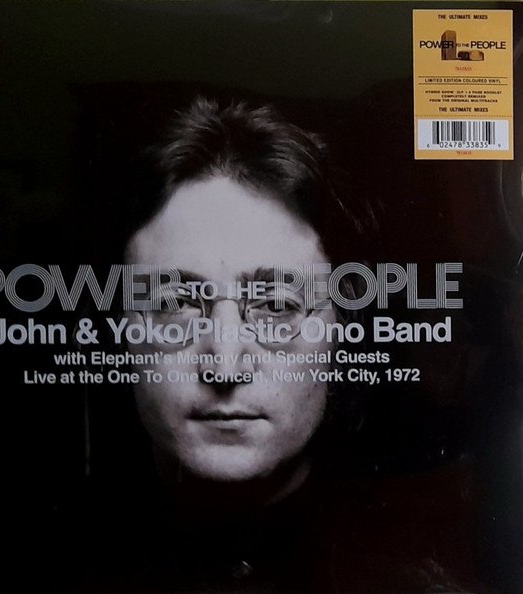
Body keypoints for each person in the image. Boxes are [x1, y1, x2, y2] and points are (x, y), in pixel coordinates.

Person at [70, 96, 473, 594]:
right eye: (175, 301)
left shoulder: (427, 573)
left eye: (277, 304)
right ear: (122, 328)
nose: (225, 365)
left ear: (342, 329)